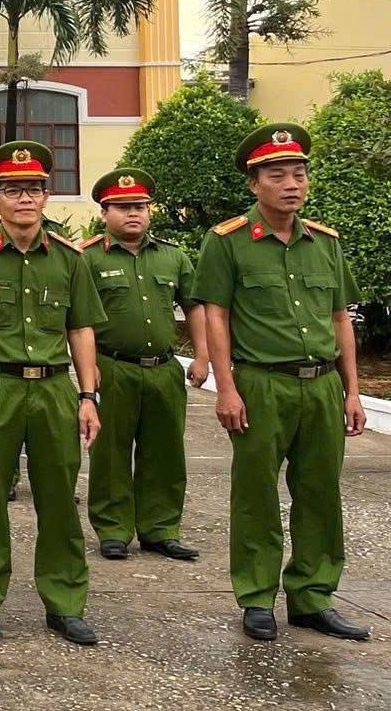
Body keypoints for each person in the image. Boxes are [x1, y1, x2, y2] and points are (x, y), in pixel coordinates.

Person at [195, 124, 371, 642]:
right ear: (255, 184)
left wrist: (353, 390)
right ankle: (256, 597)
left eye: (298, 174)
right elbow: (216, 316)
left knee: (320, 493)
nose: (291, 184)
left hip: (322, 386)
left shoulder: (325, 243)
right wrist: (226, 388)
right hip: (261, 384)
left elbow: (340, 319)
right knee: (257, 495)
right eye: (277, 176)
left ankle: (313, 596)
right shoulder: (227, 242)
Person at [0, 141, 106, 645]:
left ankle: (65, 602)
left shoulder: (70, 258)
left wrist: (88, 396)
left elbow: (81, 328)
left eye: (34, 189)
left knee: (59, 498)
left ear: (46, 197)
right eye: (13, 190)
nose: (25, 199)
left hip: (54, 388)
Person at [81, 167, 208, 564]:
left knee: (164, 451)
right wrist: (87, 368)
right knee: (111, 453)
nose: (132, 213)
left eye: (139, 206)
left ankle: (161, 529)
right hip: (112, 367)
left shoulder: (173, 256)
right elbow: (78, 319)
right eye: (122, 207)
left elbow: (194, 305)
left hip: (164, 369)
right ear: (105, 213)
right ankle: (113, 529)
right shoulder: (88, 258)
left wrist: (202, 355)